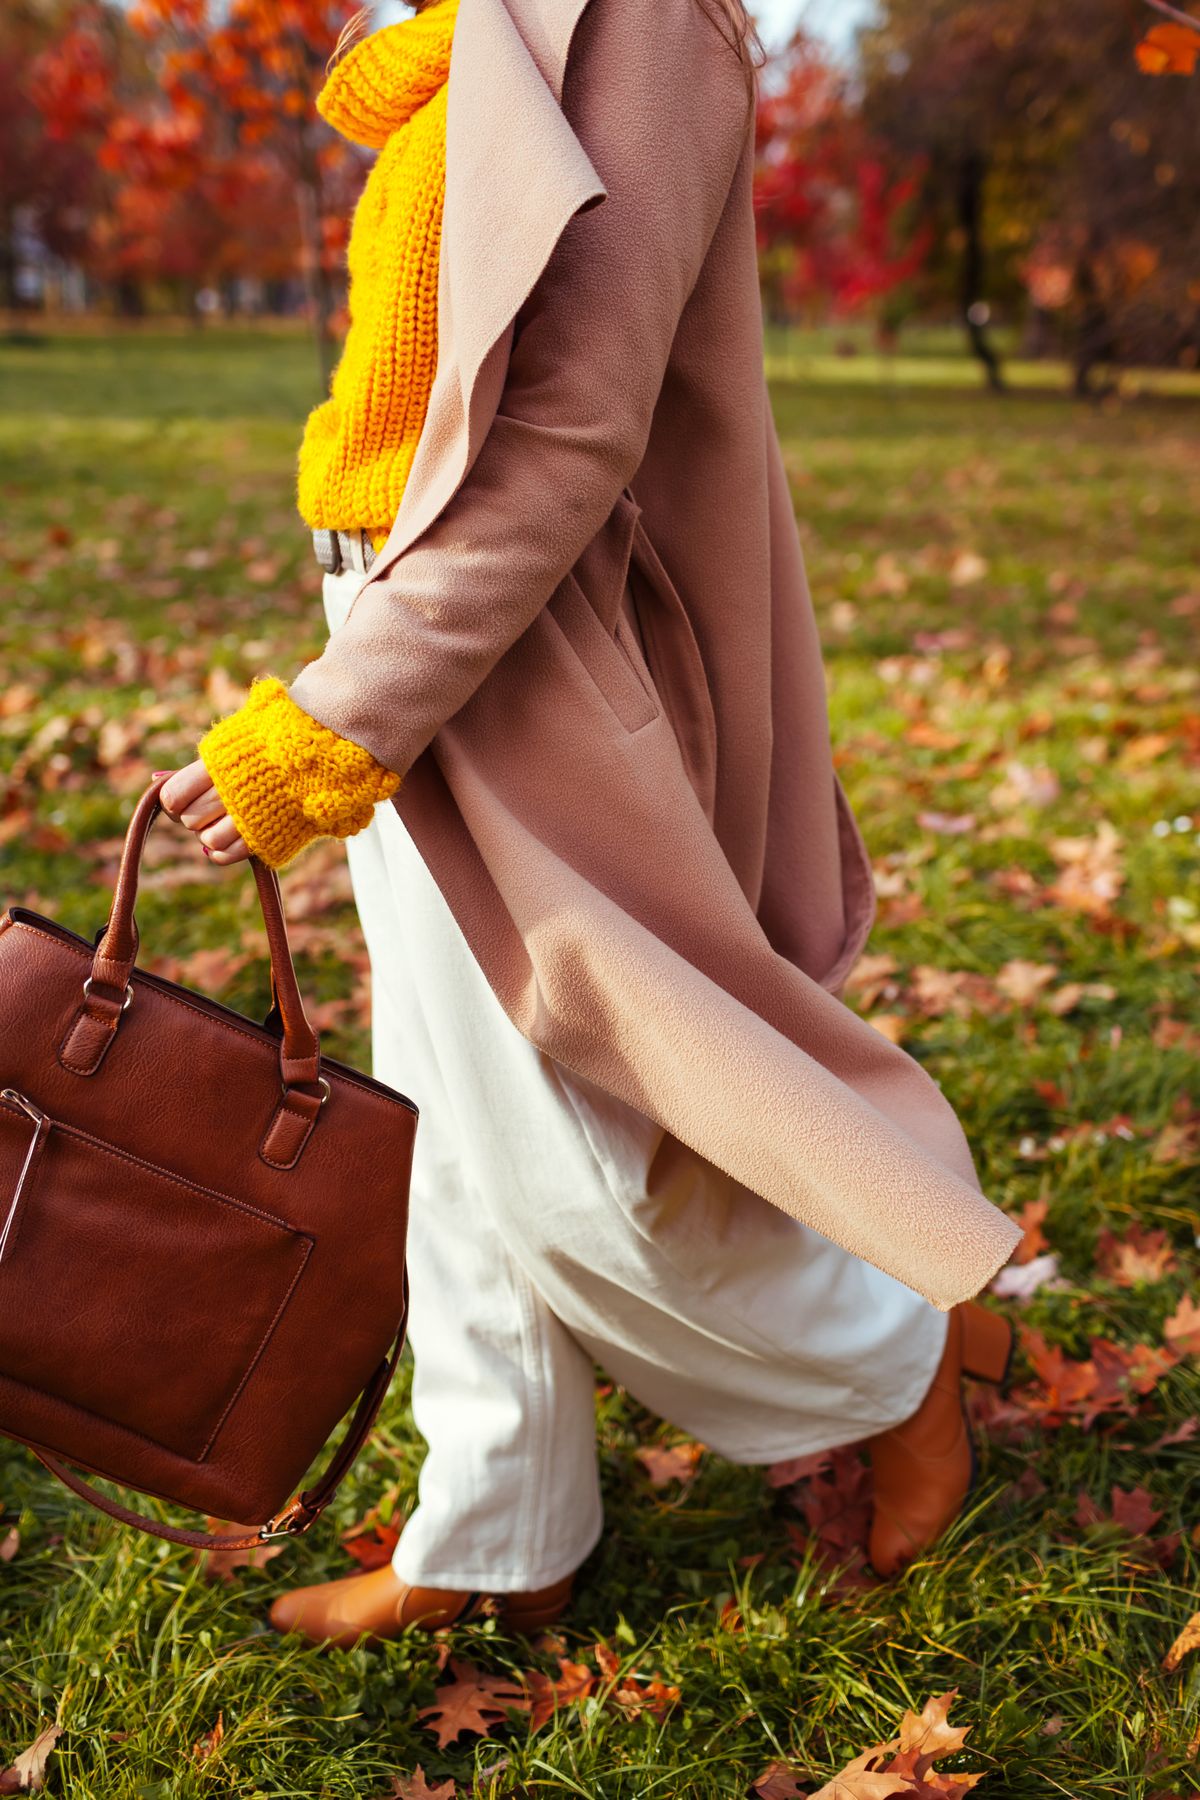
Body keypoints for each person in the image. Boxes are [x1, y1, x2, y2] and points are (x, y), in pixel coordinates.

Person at [159, 0, 1021, 1649]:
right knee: (452, 1140)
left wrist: (338, 721)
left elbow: (569, 427)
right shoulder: (462, 30)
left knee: (588, 1164)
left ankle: (899, 1363)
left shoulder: (640, 21)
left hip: (531, 649)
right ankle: (500, 1527)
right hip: (403, 627)